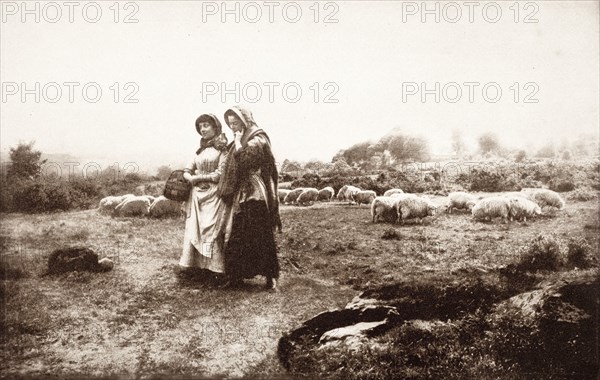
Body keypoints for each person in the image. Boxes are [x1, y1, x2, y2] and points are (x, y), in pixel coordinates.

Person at [218, 106, 282, 291]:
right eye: (230, 123)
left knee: (261, 233)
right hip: (242, 193)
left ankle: (271, 277)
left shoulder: (257, 138)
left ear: (245, 120)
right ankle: (235, 276)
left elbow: (246, 161)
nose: (232, 127)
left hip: (256, 192)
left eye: (235, 122)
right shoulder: (241, 138)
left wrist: (238, 143)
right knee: (237, 234)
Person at [179, 114, 228, 274]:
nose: (203, 129)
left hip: (213, 196)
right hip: (196, 197)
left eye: (206, 125)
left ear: (215, 128)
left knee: (210, 231)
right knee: (195, 230)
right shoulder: (199, 151)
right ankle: (196, 266)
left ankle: (213, 268)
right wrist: (190, 178)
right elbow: (186, 170)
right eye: (200, 127)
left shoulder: (222, 150)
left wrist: (196, 178)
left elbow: (219, 174)